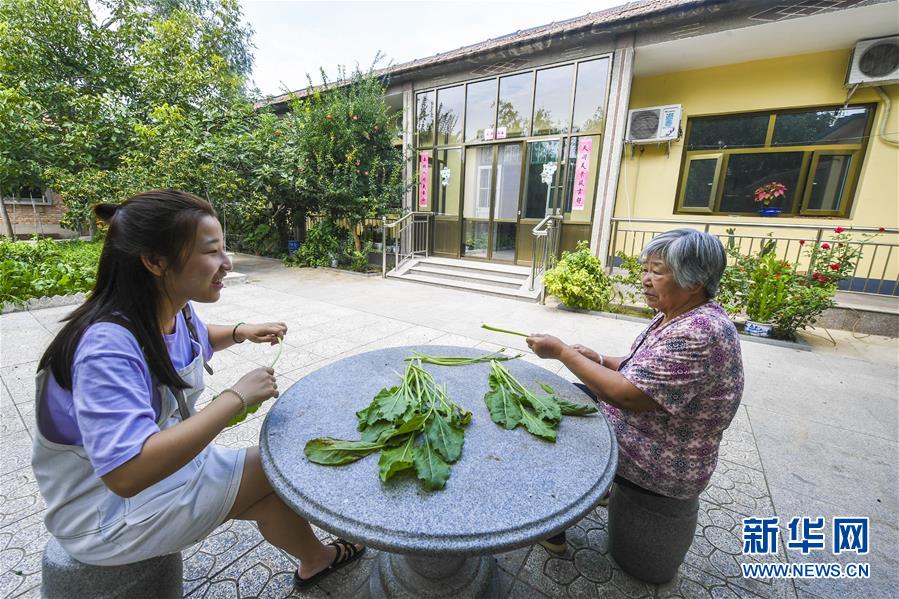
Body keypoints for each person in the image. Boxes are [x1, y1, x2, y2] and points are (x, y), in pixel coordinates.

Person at [33, 189, 363, 589]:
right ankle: (324, 553)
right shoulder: (106, 348)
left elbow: (194, 337)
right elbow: (125, 474)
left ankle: (317, 561)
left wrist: (240, 332)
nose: (227, 263)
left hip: (161, 477)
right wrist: (236, 398)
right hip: (106, 514)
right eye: (212, 252)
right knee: (279, 464)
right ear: (155, 261)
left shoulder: (171, 309)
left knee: (269, 484)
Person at [526, 228, 744, 555]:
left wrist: (561, 352)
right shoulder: (681, 314)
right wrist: (598, 359)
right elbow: (642, 369)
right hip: (647, 429)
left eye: (657, 272)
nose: (645, 279)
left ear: (695, 282)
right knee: (571, 394)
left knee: (554, 424)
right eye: (646, 269)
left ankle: (553, 524)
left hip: (660, 453)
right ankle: (597, 490)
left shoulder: (698, 334)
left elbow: (627, 395)